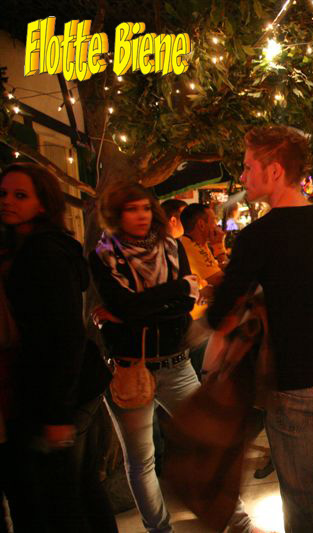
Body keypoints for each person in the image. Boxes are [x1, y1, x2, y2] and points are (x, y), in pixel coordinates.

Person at [207, 125, 313, 533]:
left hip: (294, 385)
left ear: (275, 171)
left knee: (300, 496)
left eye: (249, 167)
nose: (243, 176)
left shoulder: (257, 236)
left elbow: (221, 311)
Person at [90, 182, 255, 533]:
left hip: (176, 363)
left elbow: (180, 306)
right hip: (130, 368)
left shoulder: (171, 246)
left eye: (145, 208)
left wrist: (138, 307)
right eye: (131, 209)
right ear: (116, 215)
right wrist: (175, 290)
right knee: (142, 460)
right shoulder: (104, 255)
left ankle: (237, 522)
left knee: (209, 443)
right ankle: (159, 529)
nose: (141, 216)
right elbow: (127, 304)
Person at [0, 163, 115, 532]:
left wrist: (56, 413)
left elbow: (65, 335)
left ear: (43, 203)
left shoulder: (43, 254)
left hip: (60, 391)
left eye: (20, 195)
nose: (7, 201)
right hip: (68, 387)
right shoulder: (30, 248)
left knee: (62, 497)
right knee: (80, 487)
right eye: (4, 193)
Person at [179, 203, 225, 375]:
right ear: (201, 224)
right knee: (205, 374)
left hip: (201, 319)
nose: (217, 225)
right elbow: (222, 280)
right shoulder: (189, 247)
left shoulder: (200, 245)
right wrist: (219, 247)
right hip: (196, 323)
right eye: (213, 220)